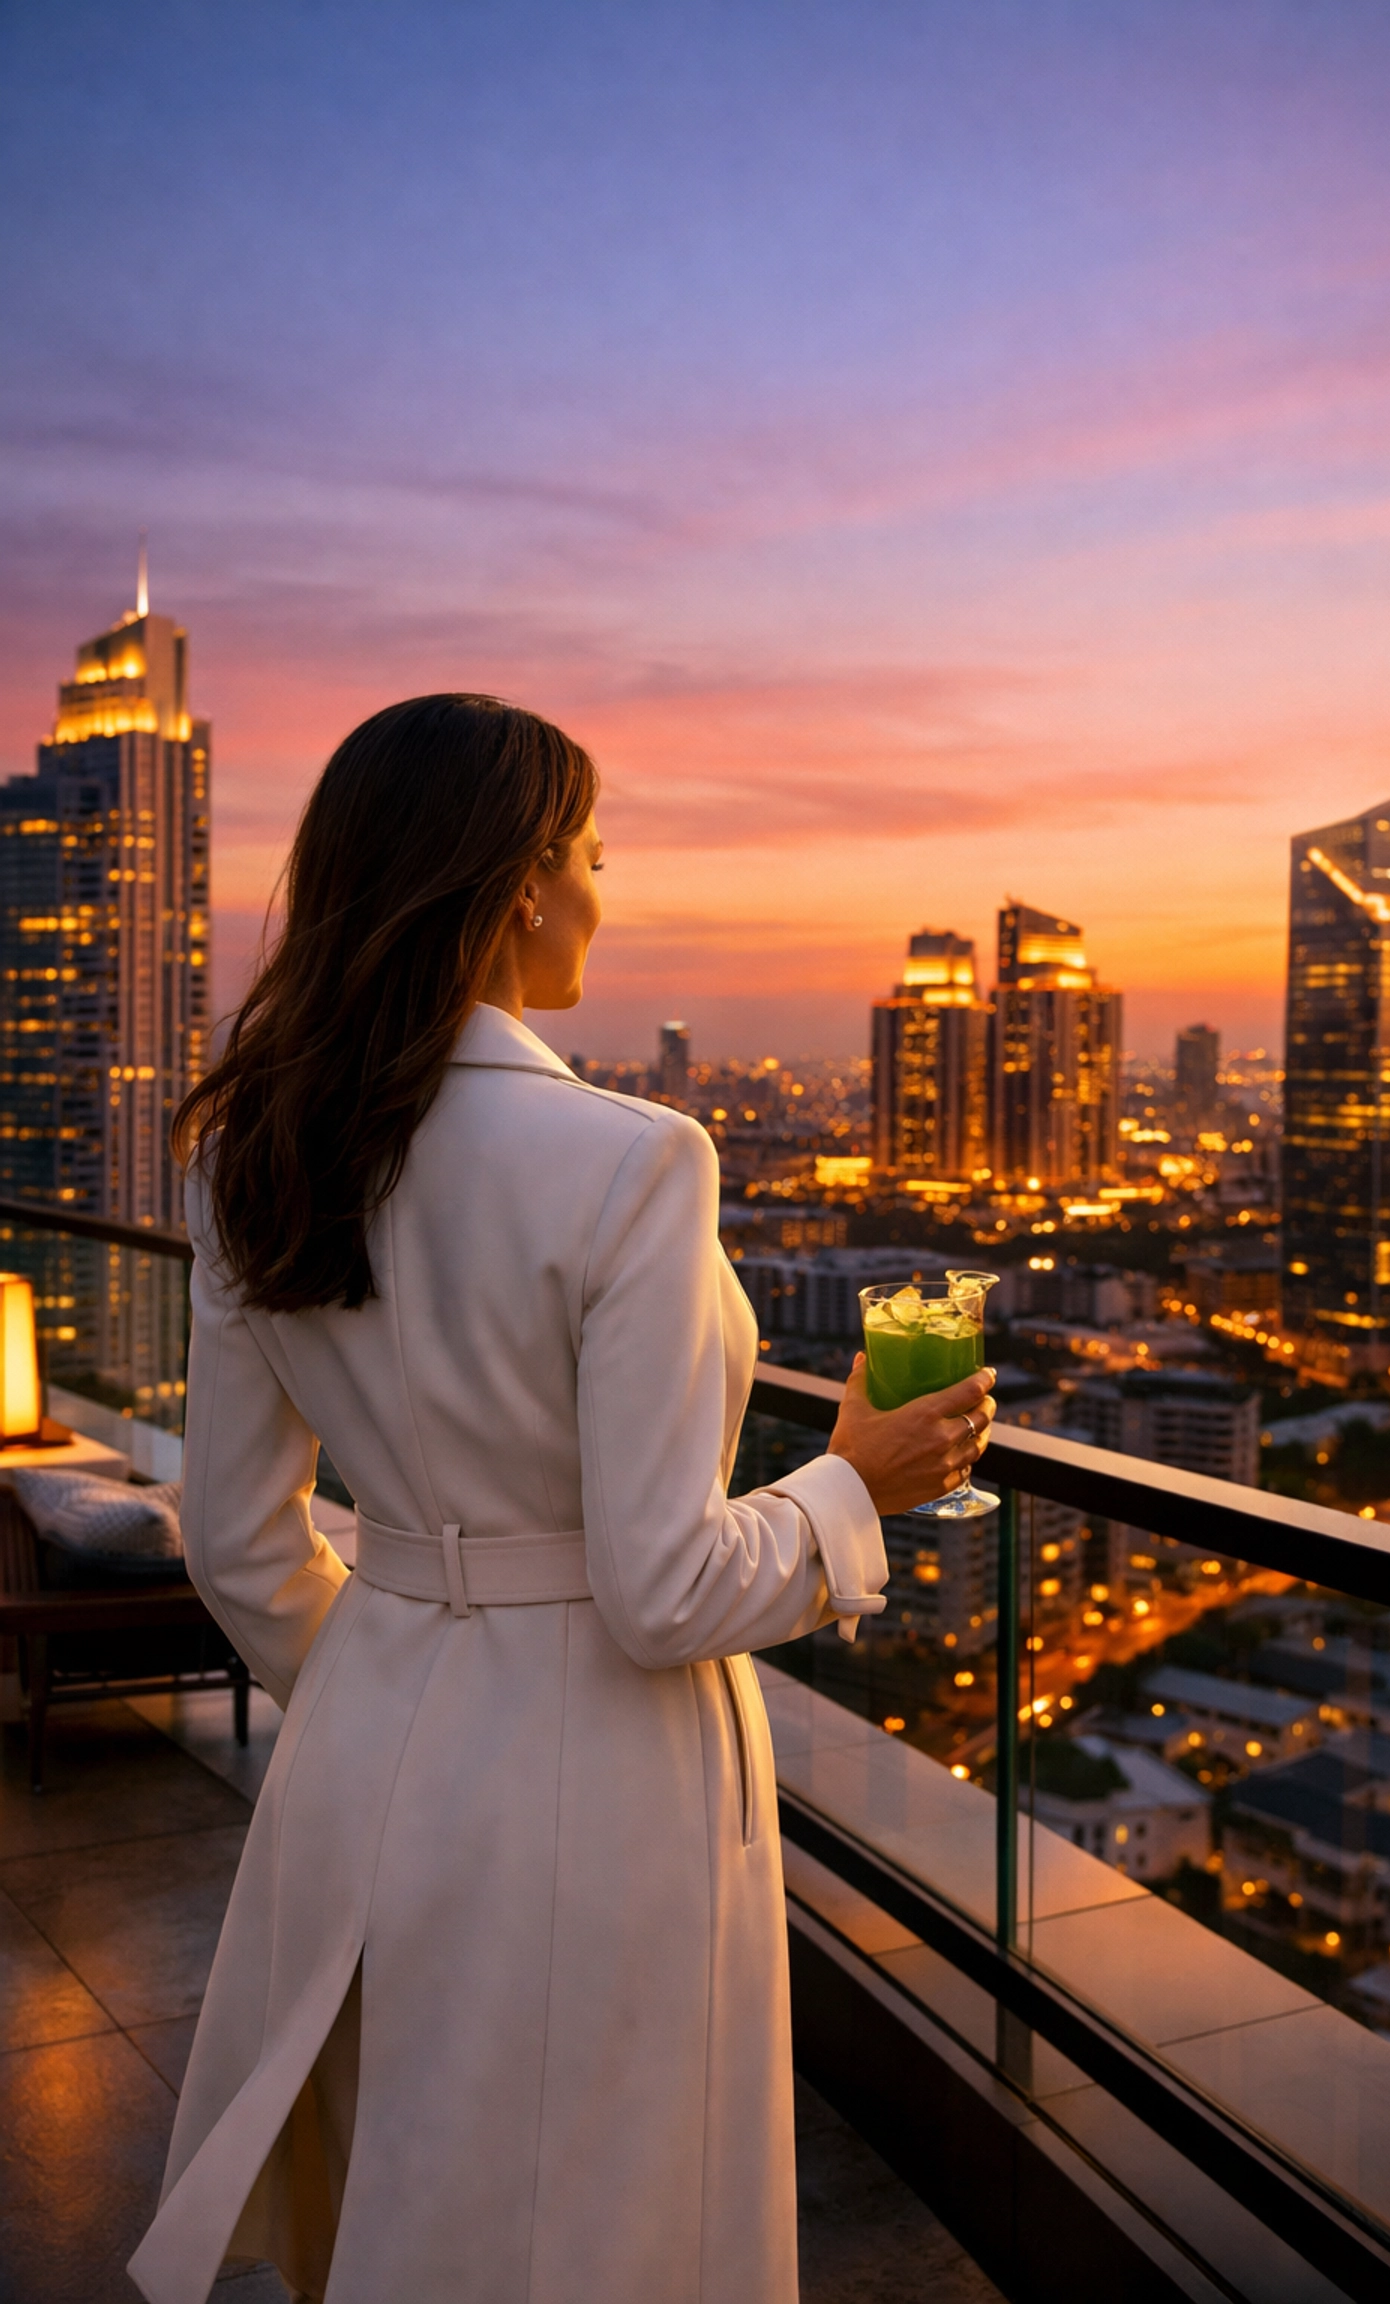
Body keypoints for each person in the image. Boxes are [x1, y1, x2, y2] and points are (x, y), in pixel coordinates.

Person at [128, 694, 996, 2304]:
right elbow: (661, 1588)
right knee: (595, 2207)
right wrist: (853, 1483)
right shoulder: (632, 1161)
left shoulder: (254, 1144)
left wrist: (408, 1682)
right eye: (594, 854)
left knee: (417, 2181)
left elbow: (240, 1542)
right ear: (523, 878)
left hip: (368, 1744)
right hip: (601, 1774)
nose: (606, 888)